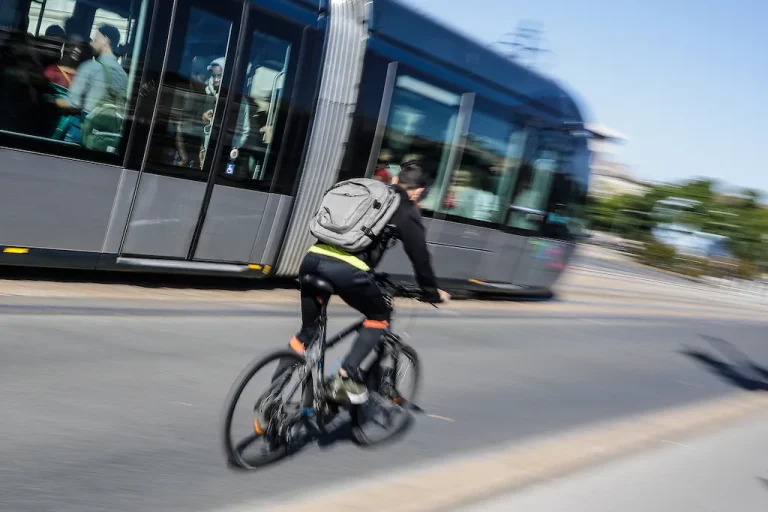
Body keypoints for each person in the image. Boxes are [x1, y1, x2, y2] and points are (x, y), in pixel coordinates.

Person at [287, 162, 450, 404]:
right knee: (378, 317)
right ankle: (344, 378)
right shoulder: (406, 209)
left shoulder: (373, 194)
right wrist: (431, 292)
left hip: (312, 260)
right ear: (419, 191)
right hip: (346, 272)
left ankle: (272, 396)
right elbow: (420, 258)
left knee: (307, 333)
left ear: (396, 179)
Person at [57, 24, 128, 144]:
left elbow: (72, 103)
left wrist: (51, 100)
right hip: (104, 137)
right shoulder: (123, 75)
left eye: (95, 40)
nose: (91, 44)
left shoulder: (90, 67)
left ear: (105, 40)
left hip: (80, 132)